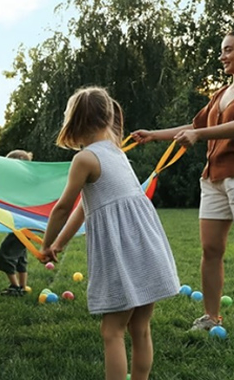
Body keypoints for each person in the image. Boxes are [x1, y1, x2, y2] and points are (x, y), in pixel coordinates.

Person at [41, 87, 179, 380]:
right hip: (147, 246)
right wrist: (59, 243)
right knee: (140, 328)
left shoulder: (85, 159)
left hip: (123, 252)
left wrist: (44, 244)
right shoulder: (115, 153)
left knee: (111, 331)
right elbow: (84, 208)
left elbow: (64, 208)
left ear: (74, 121)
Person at [132, 30, 234, 332]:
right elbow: (194, 126)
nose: (222, 55)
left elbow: (203, 132)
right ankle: (211, 317)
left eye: (228, 49)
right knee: (211, 249)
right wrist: (154, 135)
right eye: (222, 50)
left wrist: (199, 135)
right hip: (214, 176)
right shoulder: (220, 94)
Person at [0, 149, 33, 296]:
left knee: (5, 255)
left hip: (23, 227)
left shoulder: (22, 183)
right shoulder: (25, 183)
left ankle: (15, 287)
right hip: (26, 226)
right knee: (20, 257)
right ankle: (22, 287)